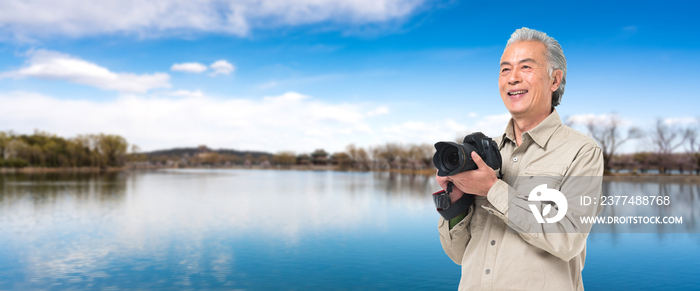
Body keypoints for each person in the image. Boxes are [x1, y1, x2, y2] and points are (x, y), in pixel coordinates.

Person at [436, 27, 604, 291]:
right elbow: (459, 254)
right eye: (505, 70)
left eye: (525, 67)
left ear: (554, 80)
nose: (512, 78)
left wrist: (493, 190)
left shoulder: (582, 152)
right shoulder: (481, 156)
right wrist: (456, 204)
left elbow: (568, 241)